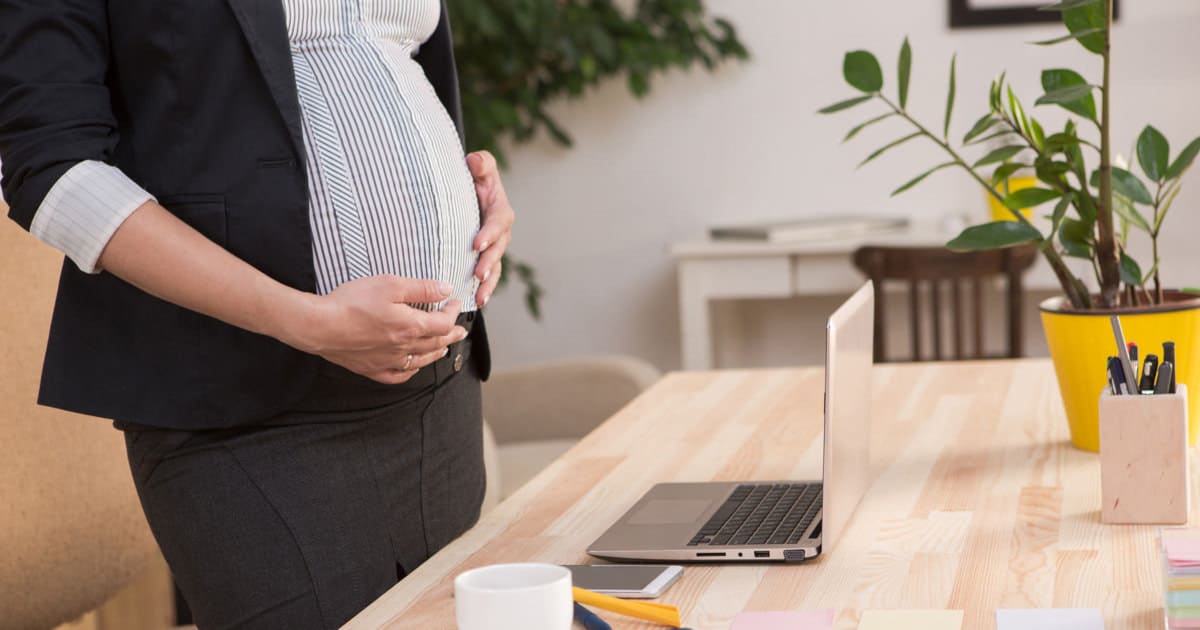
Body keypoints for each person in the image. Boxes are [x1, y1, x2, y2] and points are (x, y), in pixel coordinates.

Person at [0, 1, 514, 628]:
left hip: (440, 386)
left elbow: (385, 56)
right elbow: (51, 167)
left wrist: (461, 187)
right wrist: (303, 320)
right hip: (251, 412)